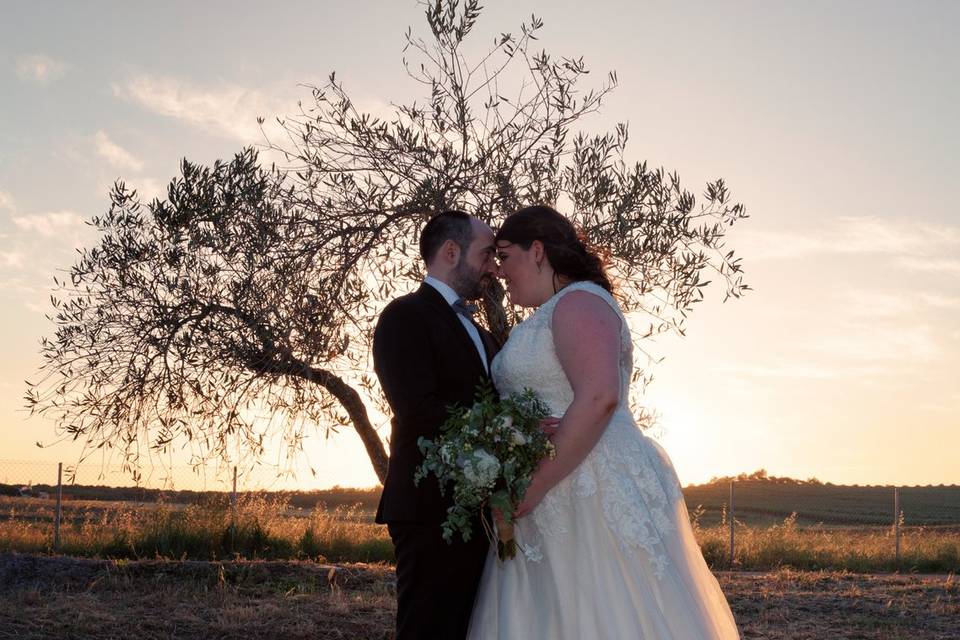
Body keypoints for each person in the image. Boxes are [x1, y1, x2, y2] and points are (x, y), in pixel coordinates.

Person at [467, 205, 741, 639]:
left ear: (536, 251)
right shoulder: (547, 313)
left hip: (587, 485)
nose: (501, 271)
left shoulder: (580, 302)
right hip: (554, 490)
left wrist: (530, 487)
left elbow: (599, 397)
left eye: (505, 256)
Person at [372, 210, 500, 640]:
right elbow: (418, 407)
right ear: (451, 252)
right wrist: (500, 431)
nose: (492, 267)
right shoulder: (403, 316)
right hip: (429, 508)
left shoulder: (481, 334)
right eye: (485, 255)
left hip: (479, 510)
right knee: (427, 629)